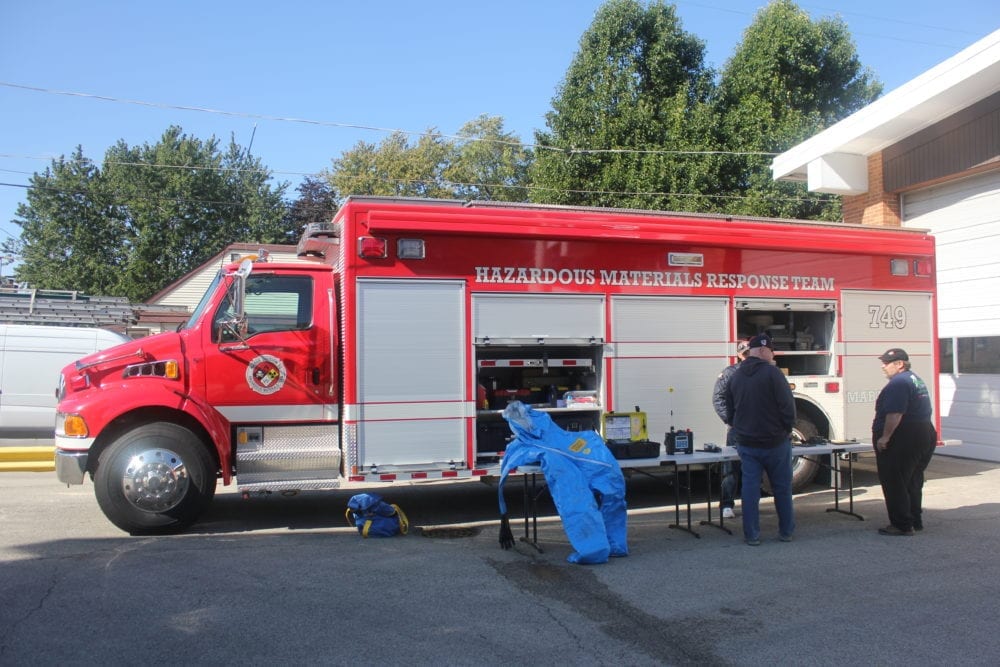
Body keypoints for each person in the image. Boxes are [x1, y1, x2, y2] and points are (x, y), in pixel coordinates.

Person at [725, 333, 796, 546]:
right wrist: (787, 429)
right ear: (764, 350)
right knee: (782, 488)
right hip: (775, 442)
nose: (772, 354)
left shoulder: (736, 375)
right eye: (772, 351)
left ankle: (752, 535)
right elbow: (788, 406)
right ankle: (786, 532)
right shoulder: (773, 373)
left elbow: (729, 410)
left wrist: (739, 429)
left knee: (749, 490)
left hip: (747, 443)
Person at [872, 348, 937, 536]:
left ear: (900, 364)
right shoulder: (914, 379)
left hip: (905, 435)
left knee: (895, 481)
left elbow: (895, 413)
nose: (883, 366)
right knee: (912, 480)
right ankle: (915, 520)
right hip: (923, 432)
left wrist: (885, 437)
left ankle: (901, 524)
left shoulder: (898, 383)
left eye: (886, 363)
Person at [712, 339, 750, 519]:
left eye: (749, 352)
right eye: (744, 353)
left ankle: (750, 504)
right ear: (739, 355)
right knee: (731, 468)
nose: (747, 356)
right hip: (737, 429)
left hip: (757, 429)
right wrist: (731, 420)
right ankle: (727, 504)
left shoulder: (762, 371)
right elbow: (718, 398)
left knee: (753, 468)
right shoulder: (730, 373)